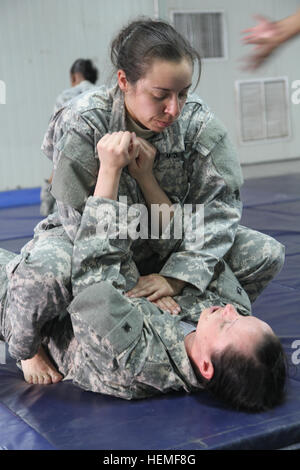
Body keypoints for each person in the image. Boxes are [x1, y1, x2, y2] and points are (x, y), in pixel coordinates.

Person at [7, 18, 285, 397]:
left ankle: (213, 341)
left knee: (264, 253)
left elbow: (218, 214)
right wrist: (133, 281)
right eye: (161, 95)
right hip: (90, 235)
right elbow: (78, 227)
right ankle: (25, 346)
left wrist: (176, 278)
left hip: (162, 232)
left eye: (184, 93)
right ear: (124, 81)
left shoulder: (199, 126)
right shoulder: (85, 123)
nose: (174, 108)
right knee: (44, 273)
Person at [0, 143, 287, 412]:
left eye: (228, 324)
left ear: (206, 366)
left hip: (63, 298)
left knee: (43, 277)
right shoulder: (218, 327)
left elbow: (92, 272)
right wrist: (173, 280)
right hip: (128, 261)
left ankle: (25, 344)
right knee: (266, 251)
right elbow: (197, 256)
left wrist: (110, 170)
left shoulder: (132, 359)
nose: (230, 310)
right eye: (241, 315)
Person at [40, 58, 99, 216]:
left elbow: (53, 138)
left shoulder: (65, 97)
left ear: (73, 77)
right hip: (101, 160)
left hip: (70, 158)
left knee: (66, 211)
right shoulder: (103, 92)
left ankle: (48, 210)